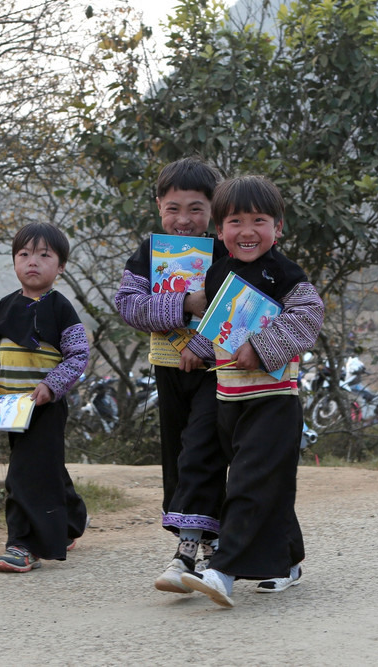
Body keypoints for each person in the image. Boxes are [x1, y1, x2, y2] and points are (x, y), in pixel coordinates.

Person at [181, 175, 323, 608]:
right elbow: (222, 322)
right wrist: (200, 347)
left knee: (246, 484)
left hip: (273, 403)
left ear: (278, 227)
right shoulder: (219, 270)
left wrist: (261, 348)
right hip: (229, 402)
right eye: (235, 221)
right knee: (267, 484)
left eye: (258, 220)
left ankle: (223, 571)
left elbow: (308, 317)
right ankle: (289, 560)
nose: (246, 231)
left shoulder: (284, 274)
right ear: (219, 230)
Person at [114, 156, 228, 593]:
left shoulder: (225, 251)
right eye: (174, 208)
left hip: (216, 371)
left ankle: (185, 553)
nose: (184, 219)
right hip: (167, 366)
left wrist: (203, 344)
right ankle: (211, 547)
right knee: (178, 454)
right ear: (159, 204)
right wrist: (185, 304)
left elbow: (242, 307)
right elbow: (129, 306)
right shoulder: (148, 253)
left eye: (196, 209)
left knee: (201, 449)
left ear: (213, 209)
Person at [0, 222, 90, 573]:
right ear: (14, 261)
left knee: (23, 473)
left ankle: (22, 544)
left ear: (61, 266)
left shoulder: (62, 309)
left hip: (46, 407)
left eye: (44, 255)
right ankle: (70, 521)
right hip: (9, 407)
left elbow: (78, 355)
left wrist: (52, 386)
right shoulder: (4, 307)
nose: (32, 261)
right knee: (43, 467)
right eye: (24, 254)